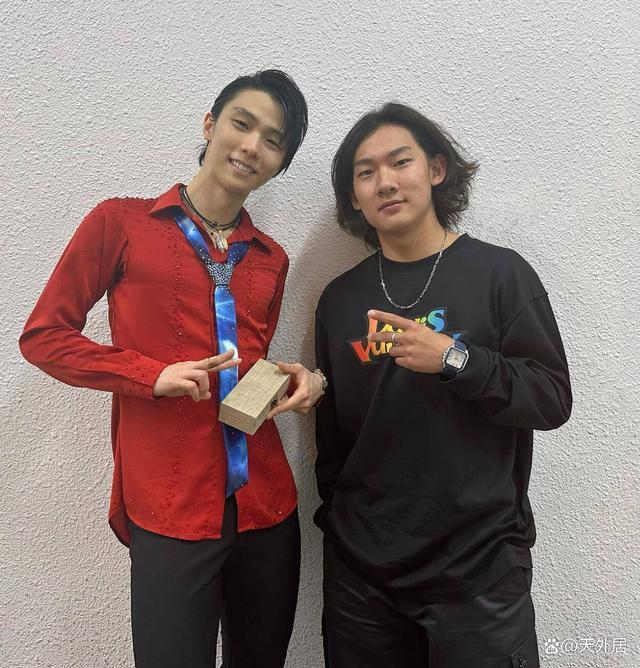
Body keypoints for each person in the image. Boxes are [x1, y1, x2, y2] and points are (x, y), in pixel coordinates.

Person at [20, 69, 324, 668]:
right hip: (170, 502)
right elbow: (44, 338)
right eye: (241, 124)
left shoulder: (271, 258)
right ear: (210, 125)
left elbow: (249, 366)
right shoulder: (121, 223)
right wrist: (147, 375)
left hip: (266, 503)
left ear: (281, 163)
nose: (251, 146)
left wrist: (303, 380)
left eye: (273, 140)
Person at [314, 103, 572, 667]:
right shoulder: (339, 300)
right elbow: (333, 436)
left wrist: (456, 359)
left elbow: (551, 398)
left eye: (399, 162)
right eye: (365, 173)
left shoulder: (500, 274)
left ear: (435, 169)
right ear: (354, 197)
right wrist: (339, 521)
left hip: (478, 573)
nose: (385, 182)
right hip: (363, 578)